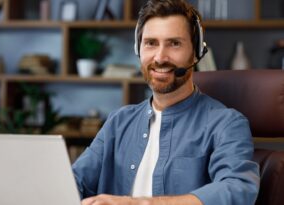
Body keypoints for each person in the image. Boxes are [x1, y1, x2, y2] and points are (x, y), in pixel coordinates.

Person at [72, 0, 260, 204]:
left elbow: (237, 189)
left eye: (174, 43)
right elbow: (75, 180)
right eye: (151, 43)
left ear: (196, 51)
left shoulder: (226, 123)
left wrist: (139, 203)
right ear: (138, 49)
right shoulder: (119, 121)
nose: (160, 57)